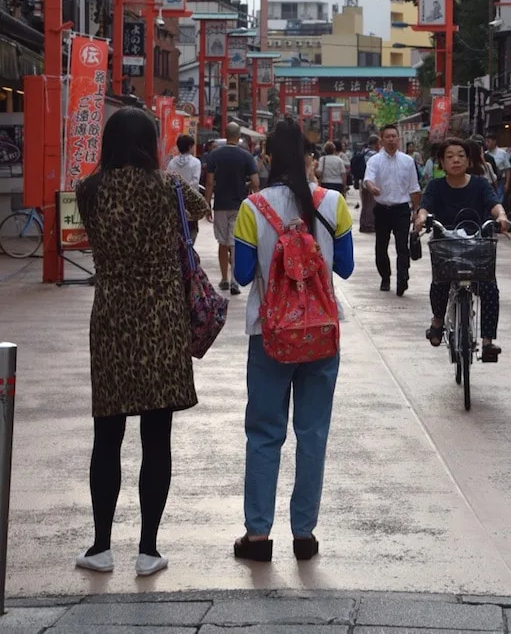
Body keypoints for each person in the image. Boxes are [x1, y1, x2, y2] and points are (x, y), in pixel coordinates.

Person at [74, 108, 210, 577]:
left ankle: (100, 547)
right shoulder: (168, 185)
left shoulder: (89, 190)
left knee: (106, 435)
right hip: (162, 318)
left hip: (111, 318)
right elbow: (201, 207)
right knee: (157, 439)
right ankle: (148, 550)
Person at [232, 118, 354, 562]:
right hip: (321, 334)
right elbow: (345, 268)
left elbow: (243, 275)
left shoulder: (252, 208)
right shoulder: (333, 203)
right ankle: (304, 535)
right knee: (313, 433)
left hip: (270, 335)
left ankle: (258, 536)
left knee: (264, 434)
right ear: (308, 158)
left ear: (267, 159)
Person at [415, 137, 509, 361]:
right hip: (446, 246)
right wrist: (420, 219)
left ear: (468, 160)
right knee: (440, 282)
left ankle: (487, 342)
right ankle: (437, 322)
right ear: (442, 162)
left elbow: (494, 204)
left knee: (489, 288)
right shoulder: (436, 186)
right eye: (450, 156)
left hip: (477, 245)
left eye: (461, 155)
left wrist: (502, 216)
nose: (455, 160)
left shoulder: (480, 184)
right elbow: (424, 208)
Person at [364, 124, 421, 296]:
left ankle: (402, 278)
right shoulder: (374, 160)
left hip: (402, 209)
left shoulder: (408, 161)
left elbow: (414, 187)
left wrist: (416, 210)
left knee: (402, 246)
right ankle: (385, 277)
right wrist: (372, 187)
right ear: (381, 139)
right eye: (387, 136)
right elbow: (369, 179)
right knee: (381, 246)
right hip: (382, 208)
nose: (391, 139)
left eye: (394, 136)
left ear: (398, 139)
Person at [206, 122, 259, 295]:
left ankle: (223, 278)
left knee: (222, 242)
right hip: (239, 205)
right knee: (235, 243)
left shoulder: (215, 155)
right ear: (239, 136)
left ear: (225, 133)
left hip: (220, 204)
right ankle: (235, 280)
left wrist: (207, 203)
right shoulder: (246, 156)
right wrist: (245, 185)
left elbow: (209, 181)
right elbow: (256, 182)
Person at [357, 134, 380, 233]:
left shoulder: (363, 152)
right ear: (375, 144)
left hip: (362, 182)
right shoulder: (375, 155)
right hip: (371, 182)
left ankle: (363, 224)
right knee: (371, 204)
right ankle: (369, 225)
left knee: (365, 204)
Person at [485, 132, 511, 202]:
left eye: (488, 141)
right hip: (489, 181)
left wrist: (507, 183)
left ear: (494, 142)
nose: (486, 144)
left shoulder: (502, 153)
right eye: (486, 142)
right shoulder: (485, 154)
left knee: (498, 199)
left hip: (500, 181)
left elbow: (507, 169)